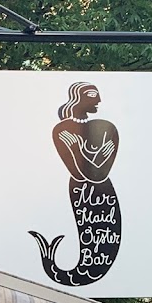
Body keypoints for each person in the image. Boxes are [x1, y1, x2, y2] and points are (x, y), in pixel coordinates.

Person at [29, 82, 121, 287]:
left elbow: (99, 175)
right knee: (89, 239)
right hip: (81, 193)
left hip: (104, 195)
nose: (99, 100)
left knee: (103, 245)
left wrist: (77, 149)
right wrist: (93, 156)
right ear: (77, 97)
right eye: (92, 95)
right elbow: (82, 173)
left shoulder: (106, 127)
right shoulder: (62, 130)